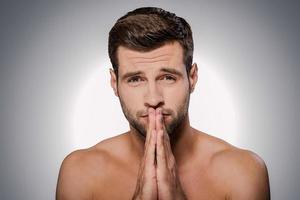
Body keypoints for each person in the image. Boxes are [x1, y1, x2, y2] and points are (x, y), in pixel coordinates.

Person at [56, 7, 270, 200]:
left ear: (192, 77)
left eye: (167, 77)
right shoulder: (80, 172)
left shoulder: (242, 172)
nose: (153, 98)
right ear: (114, 83)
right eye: (135, 79)